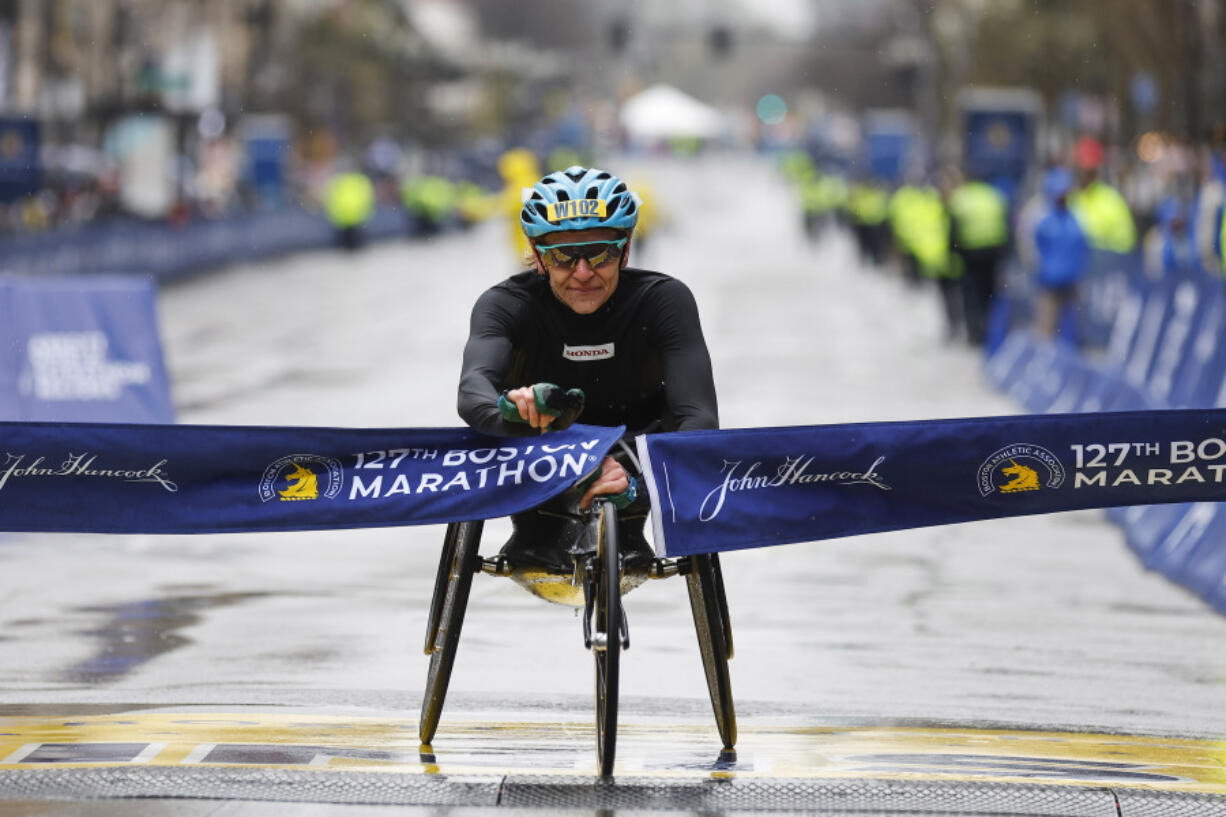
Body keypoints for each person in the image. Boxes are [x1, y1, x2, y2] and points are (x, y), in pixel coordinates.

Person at [457, 165, 718, 580]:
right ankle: (540, 533)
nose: (582, 273)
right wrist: (511, 408)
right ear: (538, 254)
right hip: (540, 454)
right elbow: (472, 393)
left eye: (600, 253)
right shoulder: (503, 305)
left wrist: (635, 478)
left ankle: (627, 518)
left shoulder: (665, 300)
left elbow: (699, 417)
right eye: (563, 256)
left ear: (626, 249)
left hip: (634, 461)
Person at [1033, 168, 1090, 340]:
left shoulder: (1076, 217)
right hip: (1049, 282)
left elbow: (1083, 246)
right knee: (1046, 327)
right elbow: (1034, 247)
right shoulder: (1043, 218)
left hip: (1073, 281)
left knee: (1072, 325)